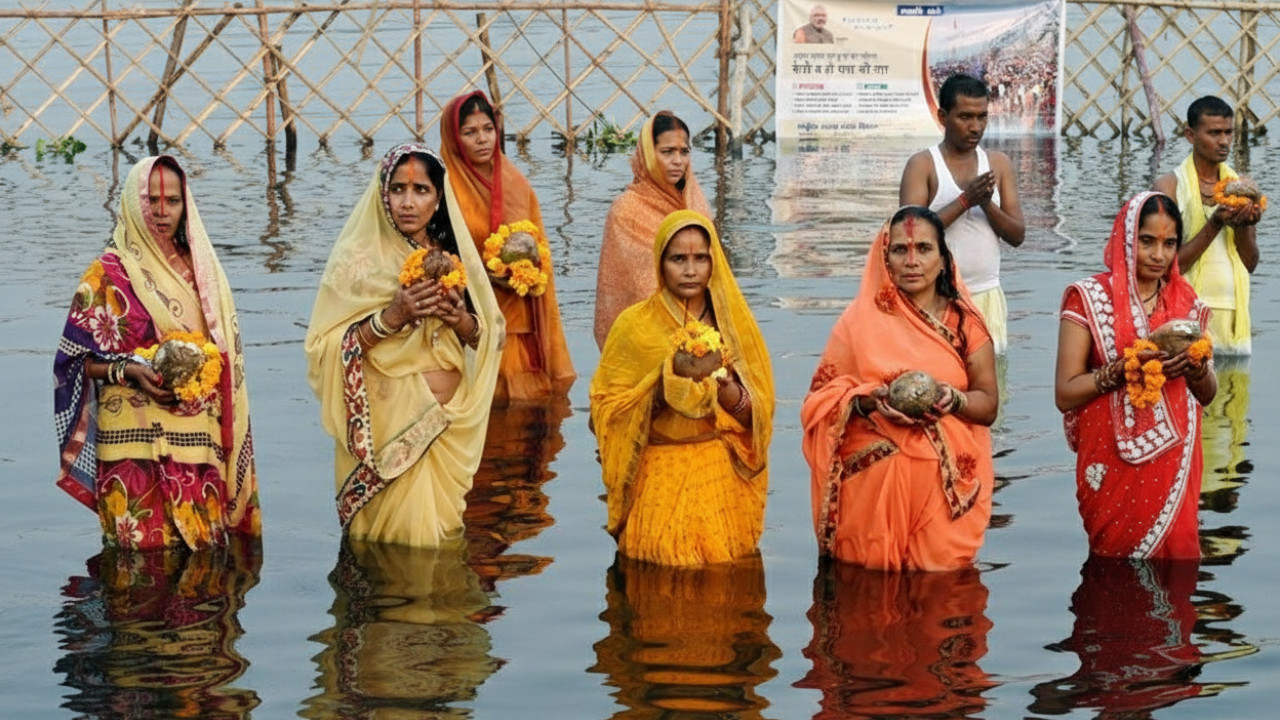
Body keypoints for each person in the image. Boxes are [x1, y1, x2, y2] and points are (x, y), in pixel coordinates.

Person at [53, 156, 259, 551]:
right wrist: (128, 371)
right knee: (135, 566)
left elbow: (224, 354)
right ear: (133, 202)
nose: (162, 212)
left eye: (173, 201)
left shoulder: (204, 274)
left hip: (197, 440)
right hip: (131, 447)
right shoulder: (107, 273)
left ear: (186, 205)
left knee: (205, 568)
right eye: (151, 200)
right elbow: (74, 362)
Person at [305, 143, 504, 547]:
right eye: (397, 189)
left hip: (449, 427)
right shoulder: (357, 260)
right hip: (389, 432)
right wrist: (389, 319)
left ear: (438, 197)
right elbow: (322, 348)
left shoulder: (451, 258)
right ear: (382, 193)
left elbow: (490, 337)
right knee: (399, 548)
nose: (408, 202)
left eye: (421, 190)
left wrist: (461, 321)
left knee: (441, 546)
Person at [801, 205, 998, 572]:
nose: (912, 261)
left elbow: (987, 405)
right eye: (900, 250)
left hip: (947, 492)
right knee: (867, 603)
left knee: (943, 599)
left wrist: (951, 399)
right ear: (884, 258)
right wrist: (866, 402)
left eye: (924, 249)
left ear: (943, 260)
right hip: (873, 490)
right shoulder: (858, 321)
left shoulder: (964, 322)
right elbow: (819, 401)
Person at [591, 210, 773, 566]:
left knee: (724, 594)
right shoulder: (634, 325)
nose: (690, 270)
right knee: (659, 585)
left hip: (719, 479)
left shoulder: (734, 324)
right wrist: (663, 388)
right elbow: (604, 409)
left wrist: (720, 382)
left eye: (701, 258)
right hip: (659, 475)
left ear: (714, 262)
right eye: (678, 259)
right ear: (661, 264)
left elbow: (760, 412)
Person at [1054, 192, 1217, 559]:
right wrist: (1118, 374)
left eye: (1169, 243)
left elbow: (1208, 395)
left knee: (1176, 566)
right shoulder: (1088, 298)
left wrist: (1195, 369)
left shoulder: (1187, 304)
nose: (1159, 255)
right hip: (1110, 460)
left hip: (1176, 461)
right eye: (1147, 241)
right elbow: (1065, 393)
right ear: (1127, 239)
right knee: (1112, 566)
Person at [440, 90, 575, 401]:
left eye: (488, 129)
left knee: (524, 406)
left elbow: (539, 247)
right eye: (470, 132)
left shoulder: (517, 185)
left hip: (517, 316)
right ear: (454, 137)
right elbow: (439, 254)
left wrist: (527, 270)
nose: (483, 139)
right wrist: (483, 275)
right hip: (467, 320)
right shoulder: (443, 189)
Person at [900, 73, 1025, 354]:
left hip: (986, 296)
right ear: (943, 117)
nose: (975, 127)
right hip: (934, 297)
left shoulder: (998, 164)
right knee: (933, 386)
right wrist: (965, 200)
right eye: (965, 117)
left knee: (991, 389)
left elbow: (1017, 235)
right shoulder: (922, 165)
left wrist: (985, 203)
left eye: (982, 117)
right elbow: (909, 235)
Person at [1154, 95, 1262, 355]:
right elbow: (1166, 267)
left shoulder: (1242, 188)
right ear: (1190, 135)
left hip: (1233, 318)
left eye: (1228, 132)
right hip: (1184, 319)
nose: (1224, 141)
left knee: (1237, 392)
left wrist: (1244, 226)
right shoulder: (1169, 187)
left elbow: (1250, 263)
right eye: (1214, 133)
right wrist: (1214, 223)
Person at [594, 110, 712, 349]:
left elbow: (715, 275)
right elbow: (638, 287)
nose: (678, 161)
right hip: (648, 338)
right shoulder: (626, 212)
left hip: (702, 330)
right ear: (648, 154)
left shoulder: (695, 204)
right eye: (667, 152)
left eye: (684, 152)